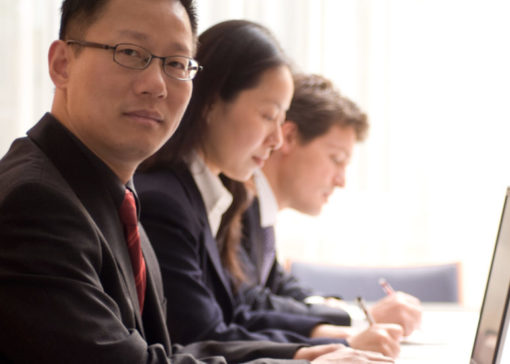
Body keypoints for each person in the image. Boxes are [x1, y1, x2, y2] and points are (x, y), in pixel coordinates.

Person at [0, 1, 394, 363]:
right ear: (62, 63)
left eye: (176, 63)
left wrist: (303, 356)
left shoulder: (113, 193)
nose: (156, 84)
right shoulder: (36, 203)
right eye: (131, 54)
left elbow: (166, 350)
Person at [135, 19, 402, 358]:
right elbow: (202, 335)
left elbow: (242, 304)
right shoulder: (165, 202)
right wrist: (325, 348)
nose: (276, 140)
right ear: (212, 103)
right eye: (267, 115)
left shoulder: (221, 198)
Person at [239, 73, 422, 338]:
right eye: (336, 159)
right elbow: (248, 305)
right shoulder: (232, 208)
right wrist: (356, 319)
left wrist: (346, 314)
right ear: (288, 137)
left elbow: (277, 284)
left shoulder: (259, 212)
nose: (341, 180)